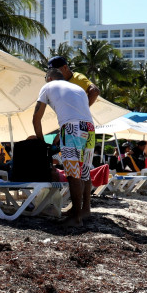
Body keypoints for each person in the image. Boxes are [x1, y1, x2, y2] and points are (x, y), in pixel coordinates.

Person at [33, 67, 97, 227]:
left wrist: (41, 143)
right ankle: (85, 210)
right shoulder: (79, 89)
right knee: (84, 171)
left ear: (49, 78)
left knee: (73, 174)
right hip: (89, 128)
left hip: (71, 128)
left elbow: (36, 119)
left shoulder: (47, 87)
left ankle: (76, 218)